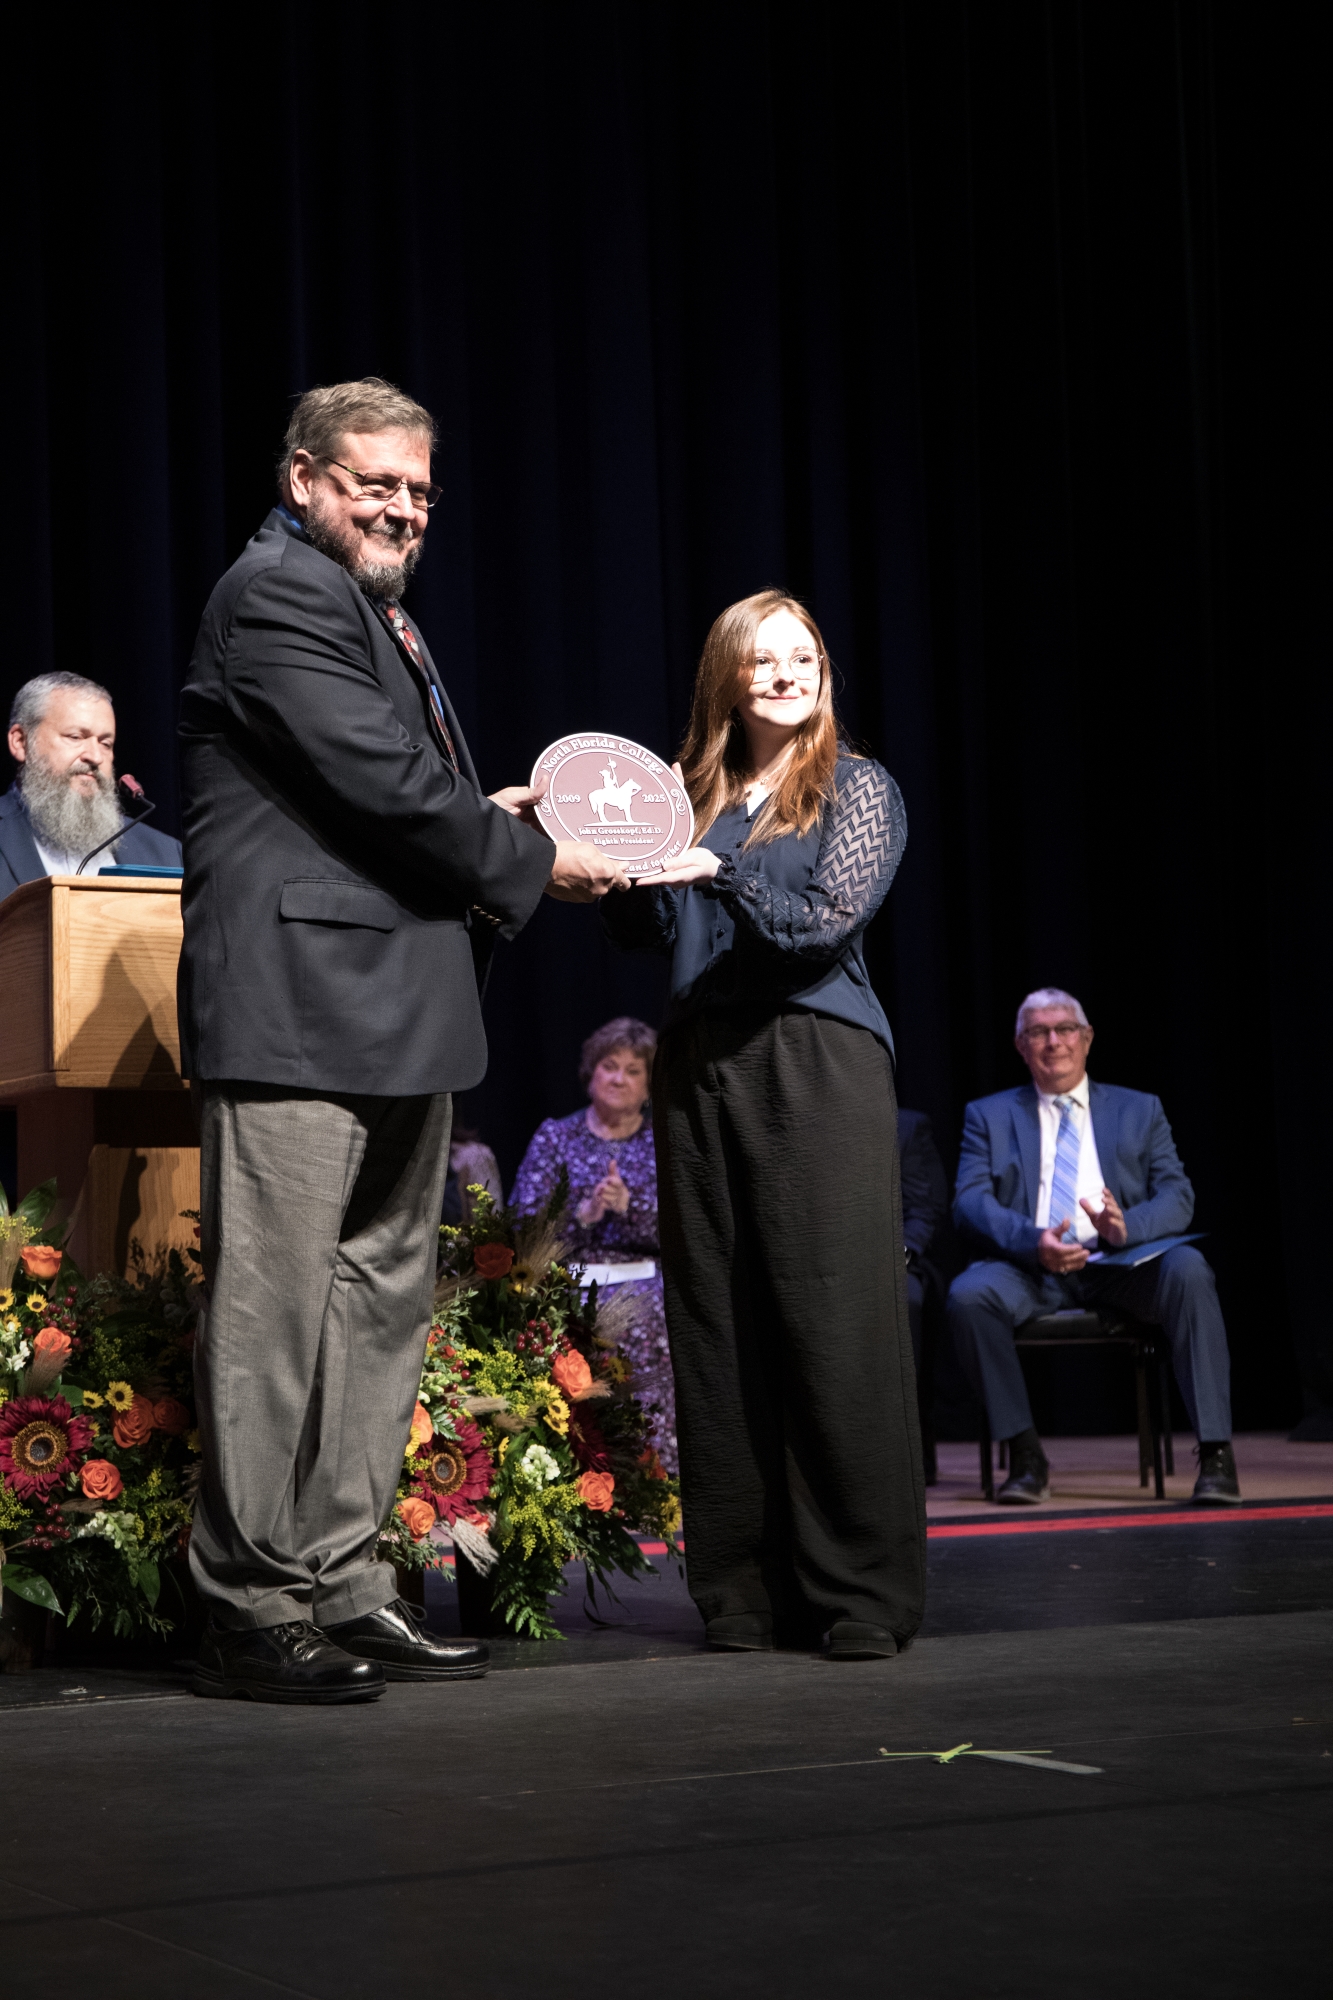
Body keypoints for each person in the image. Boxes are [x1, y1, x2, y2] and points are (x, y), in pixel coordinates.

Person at [177, 377, 626, 1704]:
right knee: (272, 1313)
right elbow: (375, 780)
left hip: (392, 1001)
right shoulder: (276, 594)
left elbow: (383, 794)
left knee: (376, 1305)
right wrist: (534, 854)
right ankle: (246, 1601)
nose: (402, 508)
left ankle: (340, 1580)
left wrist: (484, 820)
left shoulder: (368, 612)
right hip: (298, 1005)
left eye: (420, 491)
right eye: (375, 481)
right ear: (305, 477)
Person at [605, 589, 924, 1661]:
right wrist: (603, 857)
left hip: (816, 1057)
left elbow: (823, 927)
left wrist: (721, 869)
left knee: (832, 1316)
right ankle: (738, 1582)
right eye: (763, 659)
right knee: (718, 1318)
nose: (787, 674)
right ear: (725, 677)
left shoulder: (856, 787)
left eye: (805, 656)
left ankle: (860, 1589)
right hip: (700, 1063)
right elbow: (650, 925)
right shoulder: (690, 792)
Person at [947, 987, 1239, 1506]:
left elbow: (1178, 1194)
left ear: (1087, 1039)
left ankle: (1216, 1453)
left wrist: (1125, 1227)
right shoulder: (987, 1116)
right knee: (970, 1296)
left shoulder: (1139, 1109)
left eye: (1064, 1030)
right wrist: (1032, 1241)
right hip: (1030, 1269)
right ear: (1020, 1045)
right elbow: (969, 1200)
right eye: (1038, 1031)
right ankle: (1026, 1453)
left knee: (1189, 1270)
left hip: (1119, 1264)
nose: (1053, 1042)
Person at [510, 1017, 675, 1470]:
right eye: (609, 1065)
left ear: (647, 1084)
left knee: (658, 1315)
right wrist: (580, 1216)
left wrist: (632, 1206)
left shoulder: (665, 1139)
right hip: (571, 1277)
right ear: (591, 1073)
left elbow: (688, 1229)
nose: (619, 1078)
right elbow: (523, 1223)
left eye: (633, 1070)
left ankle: (652, 1472)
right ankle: (566, 1468)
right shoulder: (555, 1137)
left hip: (643, 1281)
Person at [2, 672, 181, 893]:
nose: (95, 757)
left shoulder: (167, 854)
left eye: (105, 743)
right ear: (20, 742)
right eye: (75, 737)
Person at [899, 1107, 949, 1483]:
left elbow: (923, 1209)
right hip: (819, 1260)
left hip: (896, 1261)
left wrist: (897, 1254)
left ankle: (910, 1453)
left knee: (907, 1300)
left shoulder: (904, 1125)